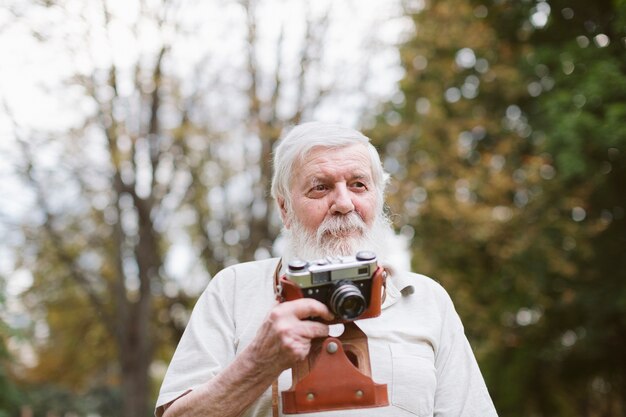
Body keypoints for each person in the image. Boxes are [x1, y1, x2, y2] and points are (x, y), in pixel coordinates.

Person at [155, 122, 498, 417]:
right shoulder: (232, 290)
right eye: (320, 187)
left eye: (358, 185)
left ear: (378, 200)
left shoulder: (426, 300)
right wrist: (259, 364)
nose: (344, 204)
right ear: (285, 209)